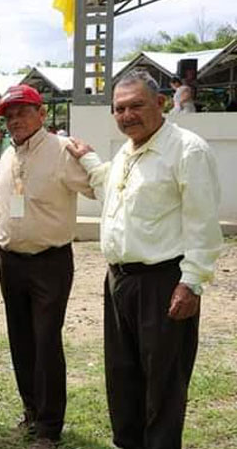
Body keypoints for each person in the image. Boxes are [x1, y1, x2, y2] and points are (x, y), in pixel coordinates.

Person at [66, 70, 222, 449]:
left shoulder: (187, 150)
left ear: (160, 103)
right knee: (123, 374)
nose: (127, 115)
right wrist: (88, 159)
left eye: (136, 105)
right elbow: (112, 188)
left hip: (165, 282)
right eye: (119, 109)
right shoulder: (127, 151)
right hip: (120, 281)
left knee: (164, 382)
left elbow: (202, 222)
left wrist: (192, 282)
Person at [0, 84, 95, 449]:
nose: (14, 119)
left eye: (22, 111)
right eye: (8, 115)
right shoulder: (8, 155)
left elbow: (98, 188)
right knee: (20, 338)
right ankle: (32, 410)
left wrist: (93, 160)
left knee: (46, 340)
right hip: (10, 259)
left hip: (49, 261)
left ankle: (50, 427)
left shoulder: (62, 151)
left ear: (42, 114)